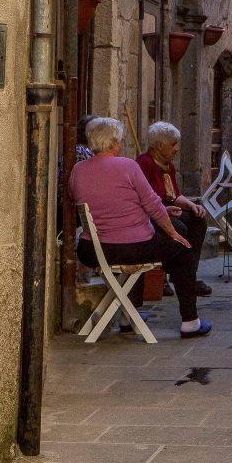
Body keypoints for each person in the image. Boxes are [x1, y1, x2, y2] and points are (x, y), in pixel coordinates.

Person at [69, 116, 212, 338]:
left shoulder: (78, 170)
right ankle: (190, 321)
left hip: (92, 251)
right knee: (182, 247)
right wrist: (172, 232)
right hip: (132, 247)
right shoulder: (129, 166)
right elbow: (153, 204)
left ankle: (128, 315)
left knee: (175, 238)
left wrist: (165, 214)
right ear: (115, 142)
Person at [136, 122, 212, 297]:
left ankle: (188, 276)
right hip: (151, 215)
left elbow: (175, 195)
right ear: (160, 145)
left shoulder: (168, 166)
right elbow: (144, 199)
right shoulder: (143, 164)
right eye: (173, 144)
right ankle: (173, 276)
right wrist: (164, 209)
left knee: (197, 221)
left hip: (167, 211)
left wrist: (192, 205)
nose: (176, 148)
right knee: (179, 228)